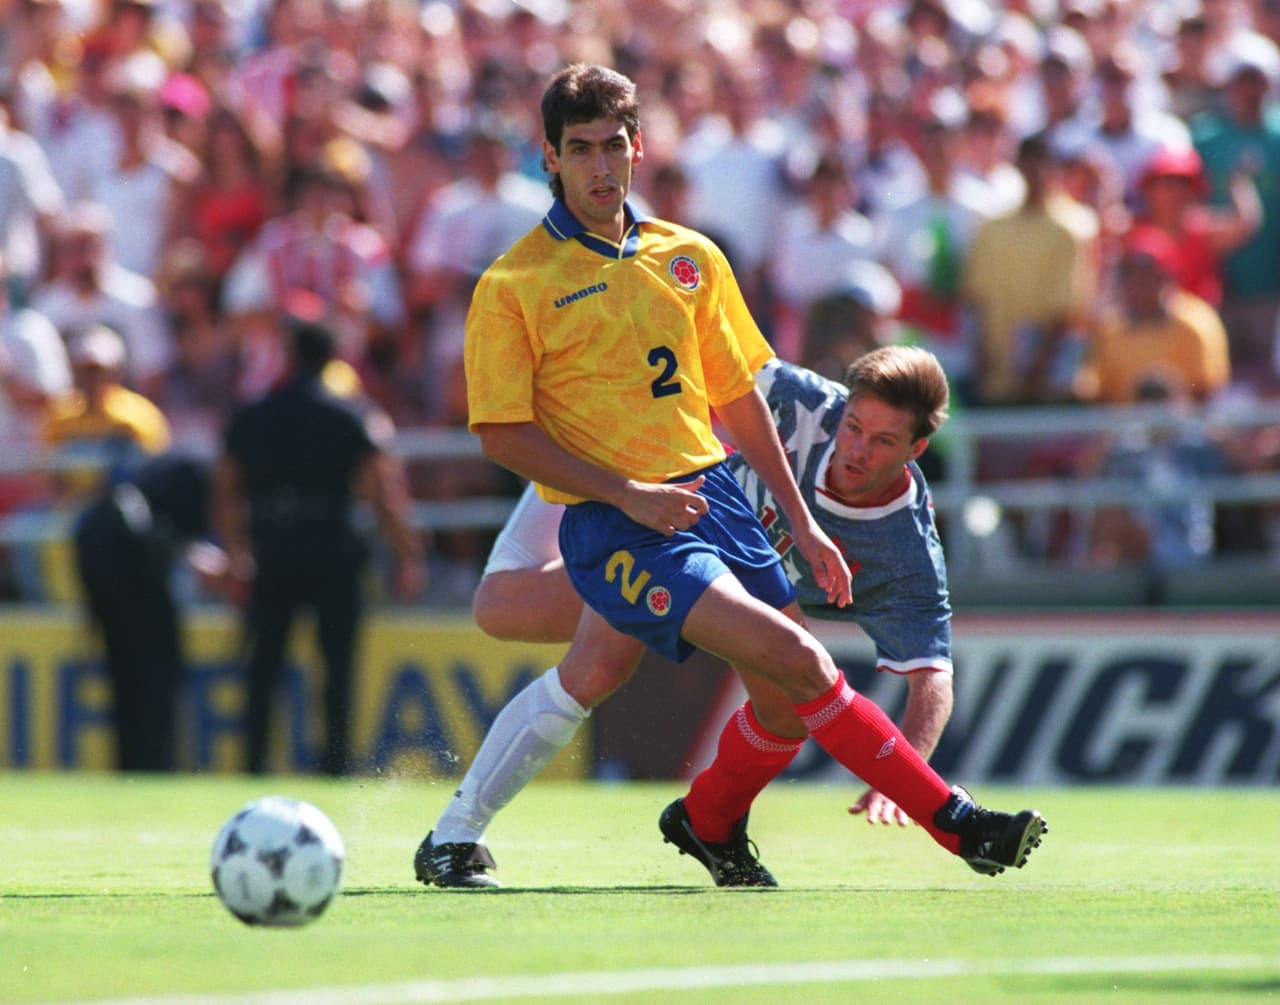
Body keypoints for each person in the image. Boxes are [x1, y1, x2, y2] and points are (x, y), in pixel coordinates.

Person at [417, 63, 1045, 888]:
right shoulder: (513, 283)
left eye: (615, 146)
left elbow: (740, 397)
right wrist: (623, 493)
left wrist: (805, 519)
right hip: (619, 517)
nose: (602, 168)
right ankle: (958, 823)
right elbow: (500, 433)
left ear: (639, 147)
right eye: (581, 150)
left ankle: (702, 822)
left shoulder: (691, 258)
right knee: (796, 656)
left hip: (715, 495)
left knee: (767, 696)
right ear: (550, 158)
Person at [212, 306, 425, 776]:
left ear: (289, 356)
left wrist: (235, 553)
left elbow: (226, 491)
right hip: (334, 546)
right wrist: (406, 556)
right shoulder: (351, 416)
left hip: (272, 547)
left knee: (263, 665)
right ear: (333, 358)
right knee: (337, 668)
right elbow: (384, 492)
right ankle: (335, 765)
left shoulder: (254, 414)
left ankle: (254, 763)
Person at [73, 451, 222, 771]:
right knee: (157, 679)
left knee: (127, 680)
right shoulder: (191, 479)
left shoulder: (152, 483)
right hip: (134, 580)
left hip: (110, 574)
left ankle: (135, 766)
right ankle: (154, 765)